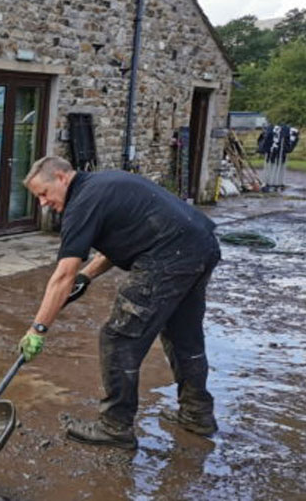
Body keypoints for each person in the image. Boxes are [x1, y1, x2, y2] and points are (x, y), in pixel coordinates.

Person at [19, 156, 221, 450]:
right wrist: (87, 276)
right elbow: (130, 237)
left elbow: (63, 275)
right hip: (200, 246)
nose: (43, 203)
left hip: (170, 256)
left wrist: (37, 329)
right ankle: (197, 414)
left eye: (43, 193)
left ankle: (115, 426)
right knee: (183, 335)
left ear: (62, 177)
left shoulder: (81, 204)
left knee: (119, 338)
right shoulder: (103, 186)